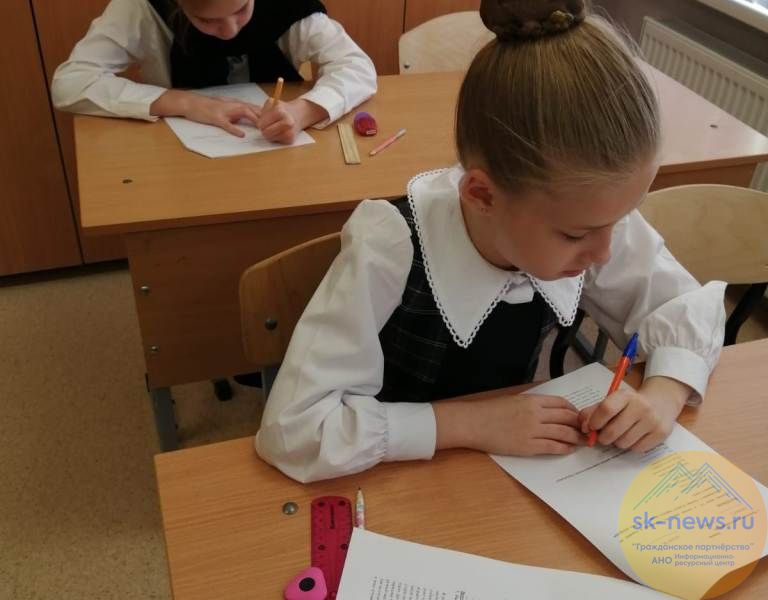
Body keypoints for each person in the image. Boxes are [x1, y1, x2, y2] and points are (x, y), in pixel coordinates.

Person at [255, 0, 727, 482]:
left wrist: (664, 394)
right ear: (482, 195)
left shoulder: (589, 214)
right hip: (393, 477)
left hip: (507, 475)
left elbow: (684, 303)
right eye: (576, 235)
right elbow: (293, 429)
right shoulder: (390, 245)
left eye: (620, 221)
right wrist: (467, 424)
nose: (604, 252)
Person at [52, 0, 376, 143]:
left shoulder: (287, 5)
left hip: (278, 154)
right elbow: (70, 83)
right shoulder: (142, 7)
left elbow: (357, 67)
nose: (230, 31)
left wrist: (304, 111)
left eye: (242, 9)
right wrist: (187, 103)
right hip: (175, 158)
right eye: (206, 20)